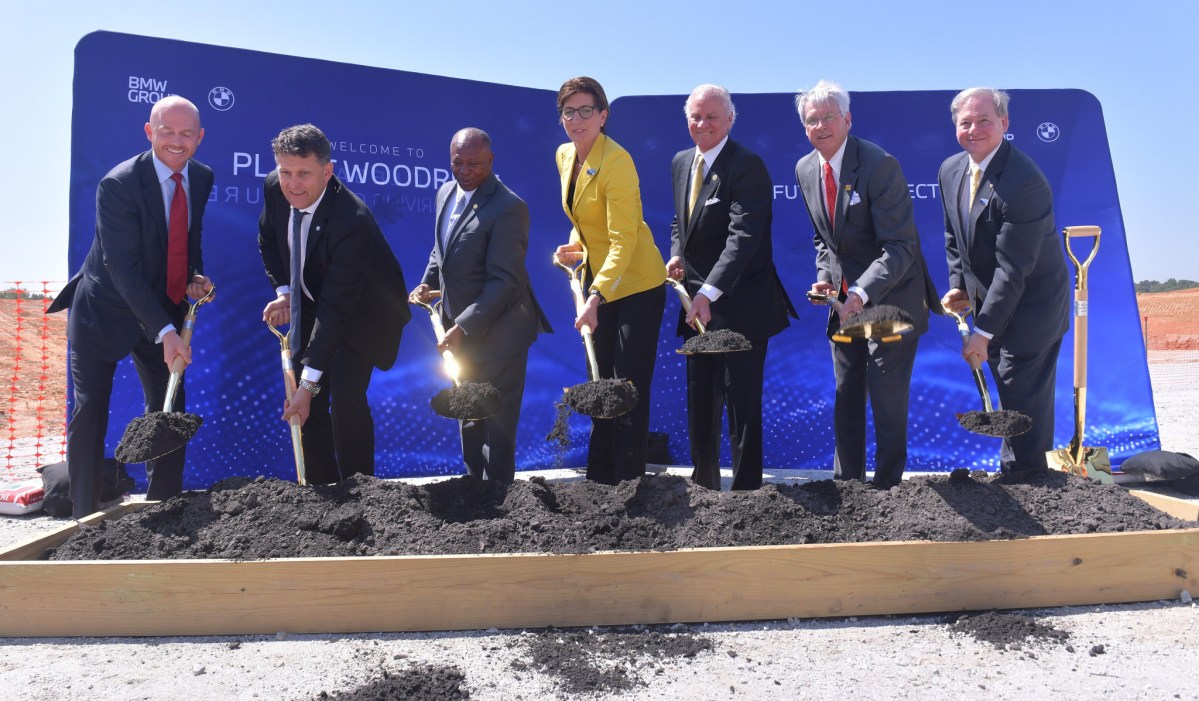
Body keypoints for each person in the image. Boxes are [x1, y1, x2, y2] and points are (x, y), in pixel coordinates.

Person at [47, 96, 215, 519]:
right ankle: (82, 518)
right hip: (103, 310)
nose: (176, 142)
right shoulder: (118, 184)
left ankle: (162, 509)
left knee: (170, 408)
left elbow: (185, 237)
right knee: (90, 413)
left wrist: (194, 273)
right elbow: (119, 266)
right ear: (148, 131)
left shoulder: (201, 177)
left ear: (200, 137)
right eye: (166, 131)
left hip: (162, 307)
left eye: (186, 133)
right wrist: (165, 330)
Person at [794, 80, 940, 489]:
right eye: (811, 120)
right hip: (844, 306)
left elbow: (900, 245)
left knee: (887, 399)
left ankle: (888, 490)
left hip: (890, 299)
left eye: (828, 117)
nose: (820, 126)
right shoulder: (805, 169)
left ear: (847, 119)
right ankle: (848, 488)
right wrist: (827, 281)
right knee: (846, 397)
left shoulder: (879, 165)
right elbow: (825, 240)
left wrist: (860, 291)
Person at [259, 124, 409, 485]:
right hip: (312, 307)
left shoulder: (351, 220)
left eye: (304, 174)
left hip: (362, 314)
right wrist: (284, 292)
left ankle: (360, 493)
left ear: (327, 171)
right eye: (286, 172)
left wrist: (309, 385)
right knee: (305, 402)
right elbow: (268, 238)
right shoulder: (275, 187)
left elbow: (337, 309)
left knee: (344, 399)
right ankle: (320, 490)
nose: (293, 184)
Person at [666, 84, 796, 491]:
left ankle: (746, 495)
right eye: (696, 116)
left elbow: (744, 239)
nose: (702, 124)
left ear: (730, 121)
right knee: (700, 402)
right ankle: (703, 488)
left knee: (741, 405)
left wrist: (708, 292)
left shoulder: (747, 166)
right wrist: (676, 256)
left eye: (711, 117)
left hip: (741, 306)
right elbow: (680, 223)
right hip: (696, 307)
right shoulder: (681, 162)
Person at [938, 87, 1070, 480]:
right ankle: (1015, 480)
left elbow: (1013, 270)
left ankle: (1028, 483)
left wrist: (982, 332)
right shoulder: (950, 170)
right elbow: (954, 237)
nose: (973, 129)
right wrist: (959, 286)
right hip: (990, 305)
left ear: (1004, 124)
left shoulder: (1023, 180)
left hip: (1033, 309)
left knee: (1021, 397)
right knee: (1008, 389)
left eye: (984, 121)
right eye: (965, 122)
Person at [410, 128, 552, 482]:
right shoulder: (445, 192)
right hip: (463, 331)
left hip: (501, 333)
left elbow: (504, 281)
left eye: (474, 163)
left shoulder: (509, 207)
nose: (465, 170)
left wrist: (462, 327)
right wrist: (429, 282)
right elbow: (441, 249)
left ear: (490, 160)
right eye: (458, 162)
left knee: (497, 430)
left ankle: (500, 505)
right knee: (469, 417)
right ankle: (475, 494)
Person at [552, 76, 667, 486]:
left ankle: (629, 486)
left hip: (636, 284)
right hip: (598, 284)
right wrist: (573, 248)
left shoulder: (618, 161)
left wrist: (595, 296)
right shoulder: (565, 155)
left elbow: (623, 238)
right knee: (598, 381)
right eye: (569, 111)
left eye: (586, 110)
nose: (577, 119)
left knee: (627, 387)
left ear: (603, 115)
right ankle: (600, 482)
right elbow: (584, 223)